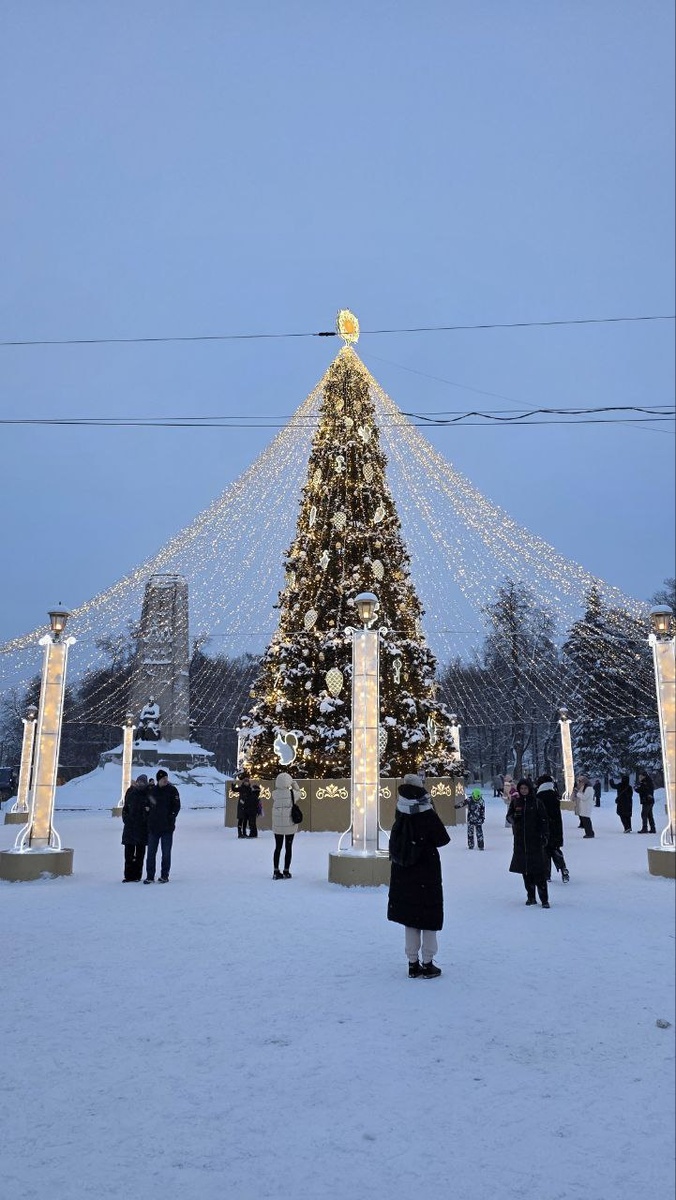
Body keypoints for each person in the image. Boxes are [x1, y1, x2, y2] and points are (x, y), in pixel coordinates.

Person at [387, 773, 451, 977]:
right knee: (428, 917)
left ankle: (412, 963)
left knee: (410, 918)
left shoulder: (400, 808)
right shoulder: (426, 811)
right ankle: (428, 962)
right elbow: (442, 838)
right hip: (426, 869)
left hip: (404, 871)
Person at [506, 778, 550, 906]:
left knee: (539, 871)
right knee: (526, 871)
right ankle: (531, 897)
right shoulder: (516, 802)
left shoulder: (537, 802)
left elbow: (544, 820)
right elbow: (509, 816)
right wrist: (514, 818)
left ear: (530, 789)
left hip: (535, 841)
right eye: (521, 788)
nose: (523, 790)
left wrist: (544, 835)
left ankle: (544, 899)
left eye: (525, 788)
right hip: (521, 842)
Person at [144, 769, 181, 883]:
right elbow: (147, 804)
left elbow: (176, 806)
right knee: (151, 853)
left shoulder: (172, 790)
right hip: (153, 828)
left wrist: (171, 816)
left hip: (167, 828)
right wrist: (148, 815)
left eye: (166, 778)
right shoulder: (152, 791)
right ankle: (150, 876)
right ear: (158, 780)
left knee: (166, 853)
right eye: (163, 778)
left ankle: (164, 875)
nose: (165, 780)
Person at [536, 774, 569, 882]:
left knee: (545, 851)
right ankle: (563, 868)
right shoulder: (554, 794)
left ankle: (547, 875)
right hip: (556, 826)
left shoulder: (539, 796)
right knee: (555, 848)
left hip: (545, 827)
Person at [271, 771, 300, 879]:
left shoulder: (274, 794)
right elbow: (299, 792)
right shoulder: (292, 794)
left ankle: (276, 871)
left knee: (277, 848)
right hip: (289, 825)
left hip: (278, 826)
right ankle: (286, 871)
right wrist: (294, 783)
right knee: (288, 848)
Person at [121, 775, 150, 882]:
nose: (140, 784)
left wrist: (146, 817)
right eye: (139, 782)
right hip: (130, 828)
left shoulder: (148, 794)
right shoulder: (131, 792)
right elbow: (125, 808)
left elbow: (152, 808)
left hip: (142, 829)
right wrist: (126, 819)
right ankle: (128, 876)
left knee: (139, 855)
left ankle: (137, 875)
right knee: (128, 854)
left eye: (143, 782)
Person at [231, 770, 261, 838]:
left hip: (247, 807)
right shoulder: (241, 788)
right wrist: (234, 782)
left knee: (245, 820)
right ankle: (239, 833)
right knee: (240, 819)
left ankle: (244, 833)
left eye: (247, 782)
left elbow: (254, 795)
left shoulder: (250, 789)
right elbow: (233, 789)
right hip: (241, 806)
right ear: (243, 782)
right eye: (245, 782)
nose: (246, 783)